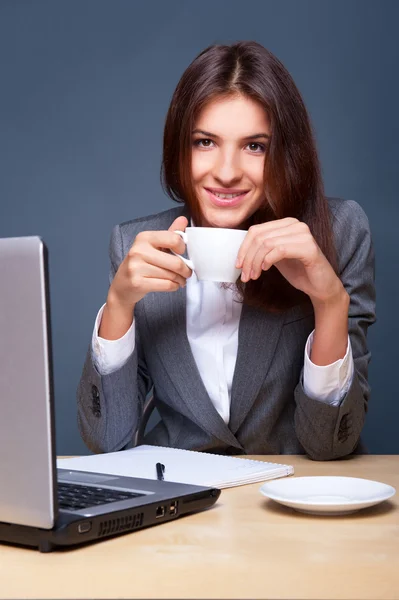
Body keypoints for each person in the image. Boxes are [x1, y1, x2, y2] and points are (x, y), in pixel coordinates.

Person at [77, 41, 375, 460]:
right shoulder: (136, 243)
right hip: (180, 505)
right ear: (179, 147)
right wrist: (119, 305)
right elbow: (109, 441)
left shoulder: (337, 233)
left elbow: (331, 444)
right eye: (205, 142)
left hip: (293, 503)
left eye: (255, 146)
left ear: (285, 152)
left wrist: (329, 302)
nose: (227, 172)